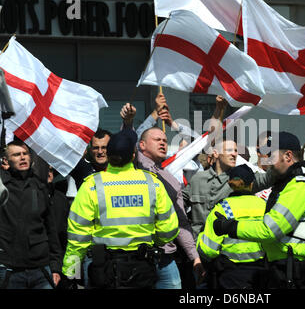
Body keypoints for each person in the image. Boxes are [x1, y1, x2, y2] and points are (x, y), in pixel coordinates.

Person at [61, 127, 179, 289]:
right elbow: (169, 229)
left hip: (103, 270)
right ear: (133, 155)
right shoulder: (152, 183)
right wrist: (157, 241)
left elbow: (77, 238)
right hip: (142, 268)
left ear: (108, 156)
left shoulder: (92, 185)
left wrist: (71, 273)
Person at [213, 132, 305, 289]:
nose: (267, 160)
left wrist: (229, 227)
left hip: (295, 270)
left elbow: (270, 229)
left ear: (288, 156)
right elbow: (259, 181)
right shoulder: (288, 179)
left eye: (271, 155)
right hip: (285, 266)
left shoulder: (299, 185)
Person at [120, 101, 205, 289]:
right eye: (157, 139)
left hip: (165, 256)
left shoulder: (172, 182)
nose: (163, 143)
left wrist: (195, 257)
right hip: (134, 255)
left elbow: (181, 223)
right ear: (141, 145)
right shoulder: (135, 165)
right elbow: (127, 143)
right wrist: (128, 123)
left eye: (165, 141)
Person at [183, 136, 274, 241]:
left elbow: (269, 178)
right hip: (198, 247)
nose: (234, 154)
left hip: (226, 248)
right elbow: (178, 205)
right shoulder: (197, 179)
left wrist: (275, 153)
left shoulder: (242, 179)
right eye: (229, 150)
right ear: (216, 153)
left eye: (236, 151)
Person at [0, 140, 62, 289]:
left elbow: (51, 229)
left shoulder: (40, 187)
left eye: (25, 154)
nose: (22, 157)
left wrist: (55, 267)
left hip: (41, 269)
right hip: (9, 270)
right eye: (16, 155)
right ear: (6, 162)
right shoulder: (2, 187)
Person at [197, 164, 266, 289]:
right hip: (262, 274)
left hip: (230, 276)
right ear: (252, 184)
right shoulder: (265, 206)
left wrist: (200, 237)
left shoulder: (222, 208)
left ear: (230, 184)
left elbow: (208, 250)